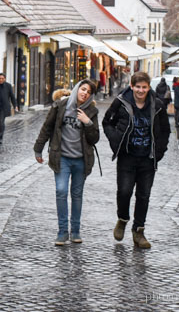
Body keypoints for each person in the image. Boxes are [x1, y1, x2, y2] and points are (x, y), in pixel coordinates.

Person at [102, 71, 171, 249]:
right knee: (124, 192)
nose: (141, 90)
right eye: (138, 87)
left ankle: (138, 231)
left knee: (143, 196)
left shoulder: (157, 105)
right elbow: (107, 122)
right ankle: (123, 218)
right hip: (127, 157)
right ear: (132, 86)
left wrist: (160, 152)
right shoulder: (121, 102)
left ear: (149, 87)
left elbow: (165, 131)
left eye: (144, 87)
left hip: (148, 159)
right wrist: (115, 140)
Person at [34, 79, 100, 245]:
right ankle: (62, 231)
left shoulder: (91, 111)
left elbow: (95, 138)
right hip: (62, 157)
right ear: (77, 89)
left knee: (77, 195)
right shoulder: (61, 105)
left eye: (88, 92)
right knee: (61, 191)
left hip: (81, 160)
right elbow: (47, 127)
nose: (84, 93)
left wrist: (88, 122)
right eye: (83, 89)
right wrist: (38, 148)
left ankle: (75, 231)